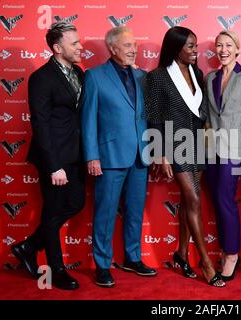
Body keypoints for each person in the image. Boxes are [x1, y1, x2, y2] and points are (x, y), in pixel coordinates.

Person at [145, 26, 225, 287]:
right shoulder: (157, 77)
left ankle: (181, 253)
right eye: (190, 46)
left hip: (196, 142)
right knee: (193, 199)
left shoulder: (197, 73)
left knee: (189, 201)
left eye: (196, 45)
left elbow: (200, 112)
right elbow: (154, 117)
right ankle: (205, 262)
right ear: (175, 47)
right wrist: (160, 154)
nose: (195, 50)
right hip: (173, 144)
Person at [11, 22, 85, 290]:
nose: (80, 46)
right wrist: (54, 166)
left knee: (76, 203)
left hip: (76, 154)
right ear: (57, 48)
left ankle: (28, 247)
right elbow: (40, 124)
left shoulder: (78, 72)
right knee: (53, 213)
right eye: (74, 43)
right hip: (53, 157)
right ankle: (57, 269)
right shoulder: (41, 78)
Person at [81, 26, 156, 288]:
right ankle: (102, 265)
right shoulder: (94, 76)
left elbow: (148, 118)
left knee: (134, 212)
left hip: (140, 155)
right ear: (112, 48)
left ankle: (132, 258)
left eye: (134, 45)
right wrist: (92, 156)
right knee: (105, 213)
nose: (134, 49)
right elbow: (88, 119)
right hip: (109, 156)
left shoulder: (143, 77)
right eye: (127, 46)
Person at [205, 30, 241, 281]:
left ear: (238, 49)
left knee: (225, 200)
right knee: (216, 201)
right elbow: (207, 115)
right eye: (219, 45)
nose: (223, 49)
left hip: (235, 147)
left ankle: (231, 254)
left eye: (228, 45)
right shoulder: (209, 78)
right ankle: (224, 249)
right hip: (209, 148)